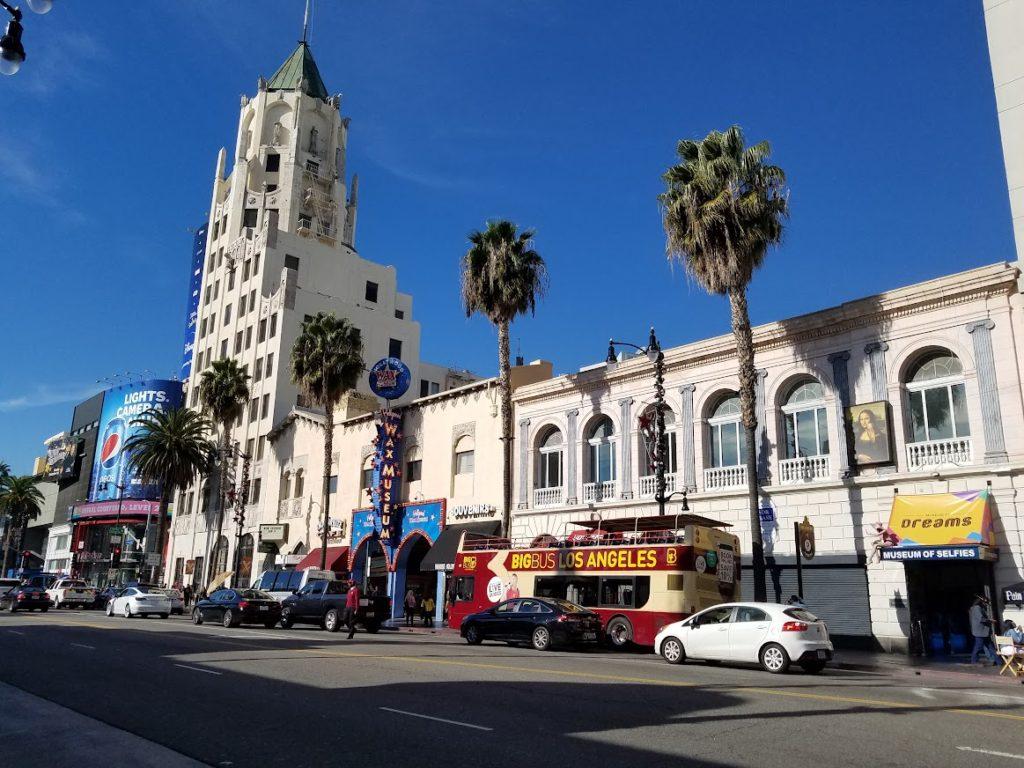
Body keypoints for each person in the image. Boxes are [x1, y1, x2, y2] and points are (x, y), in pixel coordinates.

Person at [969, 595, 997, 665]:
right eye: (985, 603)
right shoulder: (976, 608)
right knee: (978, 646)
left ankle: (999, 661)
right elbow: (981, 619)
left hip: (984, 632)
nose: (986, 604)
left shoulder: (981, 608)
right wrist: (990, 621)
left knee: (991, 647)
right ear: (981, 602)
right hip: (980, 632)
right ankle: (974, 661)